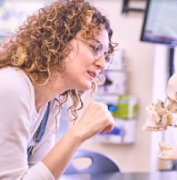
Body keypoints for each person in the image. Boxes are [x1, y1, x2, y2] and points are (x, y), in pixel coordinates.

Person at [0, 0, 117, 179]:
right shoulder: (12, 87)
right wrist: (78, 133)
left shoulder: (50, 103)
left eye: (106, 56)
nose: (102, 64)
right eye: (95, 48)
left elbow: (41, 174)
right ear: (60, 40)